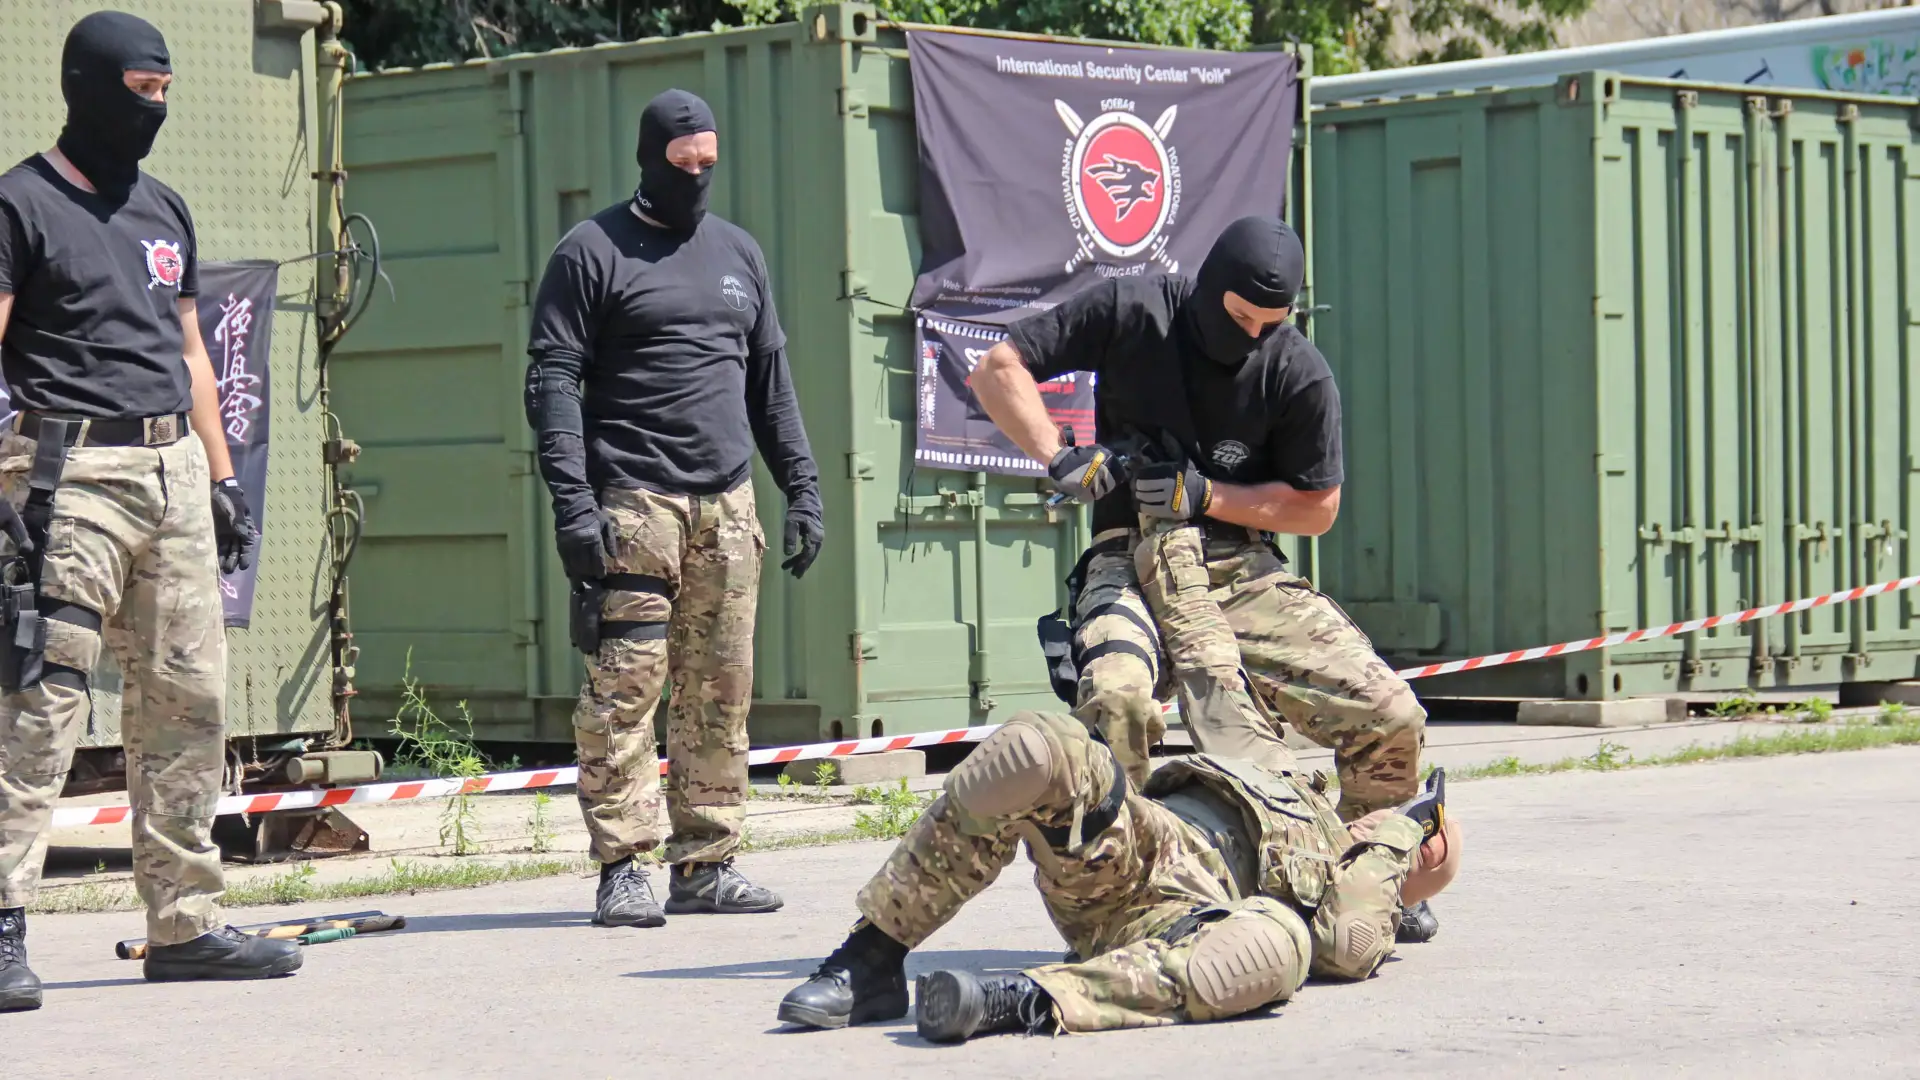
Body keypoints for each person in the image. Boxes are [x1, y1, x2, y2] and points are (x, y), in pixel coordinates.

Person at [971, 215, 1441, 941]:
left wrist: (1208, 495)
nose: (1252, 335)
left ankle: (1368, 880)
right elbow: (996, 368)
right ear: (1210, 287)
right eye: (1241, 317)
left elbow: (1318, 508)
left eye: (1270, 324)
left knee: (1390, 715)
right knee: (1117, 701)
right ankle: (1124, 907)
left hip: (1238, 570)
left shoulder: (1297, 370)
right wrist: (1058, 455)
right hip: (1127, 560)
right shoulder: (1132, 309)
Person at [0, 11, 294, 1012]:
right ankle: (1, 922)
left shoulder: (165, 210)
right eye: (140, 92)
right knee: (41, 703)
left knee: (188, 703)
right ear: (86, 87)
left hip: (173, 471)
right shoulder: (20, 205)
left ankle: (186, 926)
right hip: (66, 473)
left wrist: (222, 477)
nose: (156, 109)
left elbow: (193, 353)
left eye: (166, 93)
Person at [523, 88, 824, 928]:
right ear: (650, 159)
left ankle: (706, 864)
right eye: (682, 164)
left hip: (729, 506)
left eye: (709, 165)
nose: (697, 178)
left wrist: (802, 488)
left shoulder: (739, 253)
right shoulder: (591, 253)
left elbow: (771, 386)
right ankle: (623, 866)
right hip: (635, 504)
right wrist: (572, 504)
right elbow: (552, 382)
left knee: (720, 693)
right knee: (625, 690)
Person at [774, 709, 1460, 1040]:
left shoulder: (1356, 883)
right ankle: (871, 960)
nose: (1392, 822)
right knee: (1037, 749)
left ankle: (1022, 999)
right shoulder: (1295, 781)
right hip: (1145, 843)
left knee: (1276, 946)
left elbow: (1349, 946)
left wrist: (1399, 837)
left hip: (1181, 922)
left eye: (1429, 848)